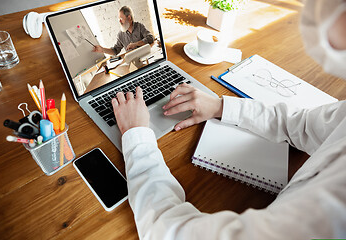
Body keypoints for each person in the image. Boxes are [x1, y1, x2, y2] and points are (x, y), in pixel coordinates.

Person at [111, 1, 346, 239]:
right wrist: (220, 105)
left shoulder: (330, 215)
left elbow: (168, 233)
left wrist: (137, 136)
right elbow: (302, 125)